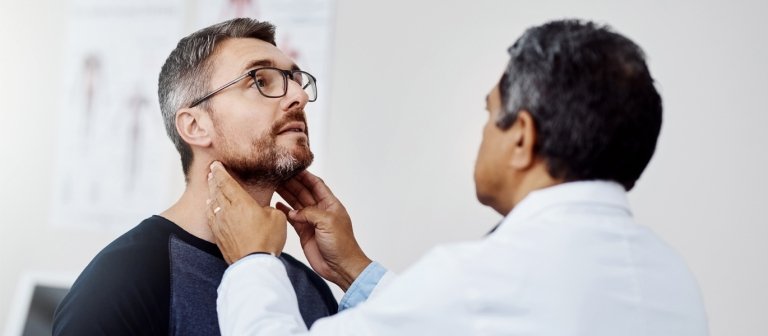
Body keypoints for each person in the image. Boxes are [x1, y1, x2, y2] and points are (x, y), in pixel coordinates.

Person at [205, 19, 709, 335]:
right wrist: (356, 270)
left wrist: (252, 262)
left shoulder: (480, 280)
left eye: (490, 115)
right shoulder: (673, 278)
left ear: (521, 137)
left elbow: (473, 307)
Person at [52, 18, 338, 335]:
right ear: (195, 126)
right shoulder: (121, 281)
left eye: (296, 80)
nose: (298, 95)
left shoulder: (310, 289)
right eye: (260, 80)